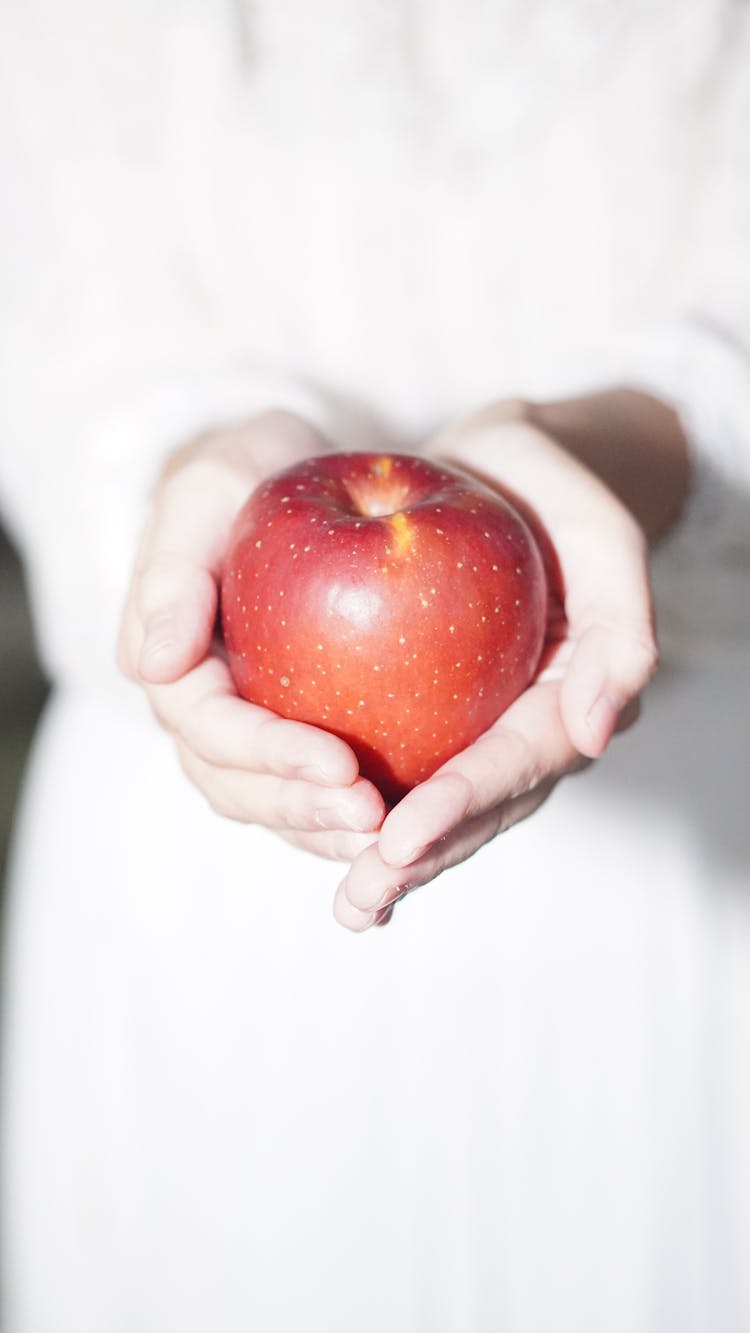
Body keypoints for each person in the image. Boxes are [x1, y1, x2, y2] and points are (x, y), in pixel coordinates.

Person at [1, 2, 749, 1330]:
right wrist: (195, 477)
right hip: (192, 878)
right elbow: (57, 329)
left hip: (671, 857)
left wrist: (612, 457)